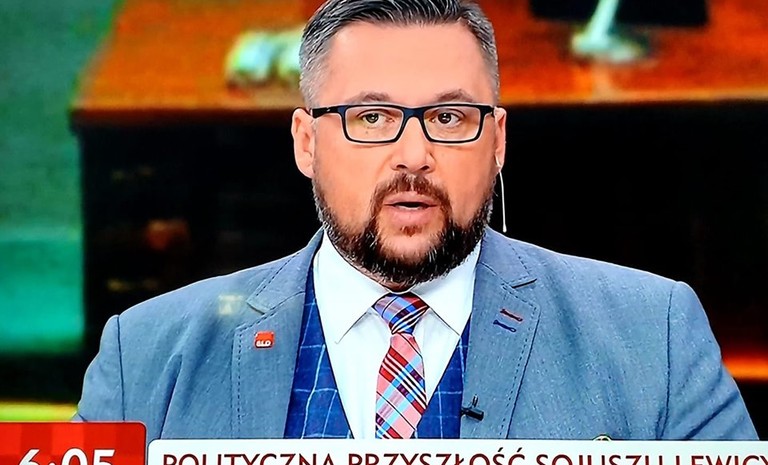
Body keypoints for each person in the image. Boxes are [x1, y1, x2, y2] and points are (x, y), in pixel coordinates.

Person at [74, 0, 757, 441]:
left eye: (449, 117)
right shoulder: (144, 358)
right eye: (371, 117)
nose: (413, 155)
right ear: (306, 144)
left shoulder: (655, 337)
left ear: (498, 142)